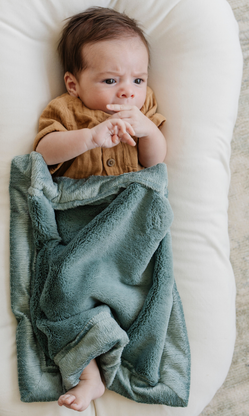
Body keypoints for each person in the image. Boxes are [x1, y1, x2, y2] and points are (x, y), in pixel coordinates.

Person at [34, 6, 167, 412]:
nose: (127, 91)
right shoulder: (66, 110)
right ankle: (89, 372)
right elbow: (44, 152)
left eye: (137, 80)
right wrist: (90, 138)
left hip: (127, 212)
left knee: (132, 283)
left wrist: (147, 133)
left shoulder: (143, 110)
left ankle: (121, 342)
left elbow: (156, 164)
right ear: (74, 84)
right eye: (111, 80)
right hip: (81, 213)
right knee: (65, 281)